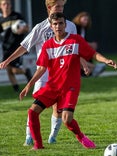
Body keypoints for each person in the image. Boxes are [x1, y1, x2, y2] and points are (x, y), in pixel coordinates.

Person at [19, 12, 117, 150]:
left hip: (70, 87)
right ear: (51, 27)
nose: (58, 26)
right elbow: (41, 69)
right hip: (52, 87)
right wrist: (28, 86)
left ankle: (81, 137)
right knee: (32, 112)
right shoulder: (47, 46)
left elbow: (92, 54)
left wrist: (106, 60)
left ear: (65, 25)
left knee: (66, 119)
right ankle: (38, 145)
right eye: (55, 24)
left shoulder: (75, 40)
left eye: (60, 23)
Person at [0, 0, 89, 146]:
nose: (61, 8)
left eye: (62, 6)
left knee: (58, 108)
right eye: (58, 6)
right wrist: (8, 60)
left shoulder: (70, 26)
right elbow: (24, 46)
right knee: (35, 107)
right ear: (49, 8)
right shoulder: (40, 28)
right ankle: (29, 137)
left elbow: (74, 47)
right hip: (43, 73)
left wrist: (83, 63)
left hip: (62, 74)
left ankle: (52, 136)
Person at [0, 0, 31, 92]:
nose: (6, 6)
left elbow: (27, 28)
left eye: (8, 4)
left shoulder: (17, 16)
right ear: (1, 6)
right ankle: (16, 89)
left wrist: (23, 30)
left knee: (14, 70)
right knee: (8, 69)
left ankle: (26, 71)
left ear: (10, 5)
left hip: (17, 47)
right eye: (4, 4)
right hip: (6, 48)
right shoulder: (1, 20)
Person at [72, 11, 106, 77]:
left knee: (88, 52)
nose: (86, 21)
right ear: (79, 18)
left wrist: (90, 45)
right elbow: (76, 40)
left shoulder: (83, 29)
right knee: (77, 57)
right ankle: (95, 67)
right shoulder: (75, 27)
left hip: (80, 49)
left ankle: (92, 70)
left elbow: (83, 41)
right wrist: (90, 44)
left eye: (87, 20)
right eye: (84, 19)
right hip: (74, 48)